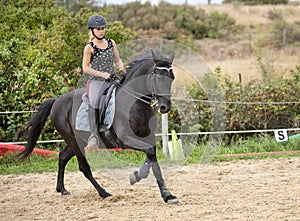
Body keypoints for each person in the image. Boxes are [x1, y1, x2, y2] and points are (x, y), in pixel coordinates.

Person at [82, 15, 126, 148]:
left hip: (111, 79)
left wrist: (122, 69)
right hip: (96, 82)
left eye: (102, 28)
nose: (101, 31)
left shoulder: (112, 43)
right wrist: (102, 74)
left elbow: (117, 60)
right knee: (94, 102)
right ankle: (93, 135)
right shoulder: (89, 48)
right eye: (98, 29)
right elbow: (85, 68)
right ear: (92, 30)